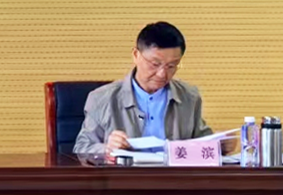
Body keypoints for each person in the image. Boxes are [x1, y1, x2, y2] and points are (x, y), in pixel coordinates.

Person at [74, 21, 214, 156]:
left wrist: (219, 146)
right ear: (136, 55)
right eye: (155, 64)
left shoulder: (189, 97)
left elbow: (204, 142)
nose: (162, 74)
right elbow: (81, 148)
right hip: (125, 172)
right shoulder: (102, 98)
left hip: (173, 172)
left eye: (171, 66)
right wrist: (107, 149)